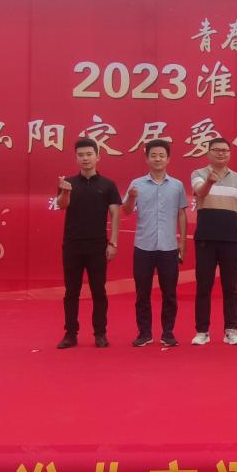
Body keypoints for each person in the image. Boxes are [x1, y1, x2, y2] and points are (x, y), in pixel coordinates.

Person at [122, 139, 188, 348]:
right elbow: (126, 210)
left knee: (170, 293)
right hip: (144, 246)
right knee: (142, 293)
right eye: (153, 155)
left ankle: (168, 333)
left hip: (169, 247)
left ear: (168, 159)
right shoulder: (137, 184)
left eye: (161, 155)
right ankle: (144, 333)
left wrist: (182, 243)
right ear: (147, 158)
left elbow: (181, 214)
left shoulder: (177, 185)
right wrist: (131, 198)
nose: (157, 159)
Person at [55, 138, 121, 349]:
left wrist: (113, 243)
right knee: (71, 292)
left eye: (89, 154)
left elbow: (115, 214)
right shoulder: (68, 183)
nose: (85, 158)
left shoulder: (108, 185)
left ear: (97, 157)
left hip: (97, 245)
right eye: (81, 155)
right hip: (72, 244)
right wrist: (65, 191)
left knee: (98, 291)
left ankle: (100, 333)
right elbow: (62, 205)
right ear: (76, 158)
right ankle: (70, 334)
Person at [190, 138, 237, 346]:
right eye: (216, 150)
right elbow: (200, 192)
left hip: (230, 239)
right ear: (208, 153)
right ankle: (202, 331)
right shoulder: (199, 174)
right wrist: (210, 181)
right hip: (206, 238)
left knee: (230, 287)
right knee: (204, 286)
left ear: (229, 154)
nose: (221, 153)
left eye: (225, 150)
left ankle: (231, 330)